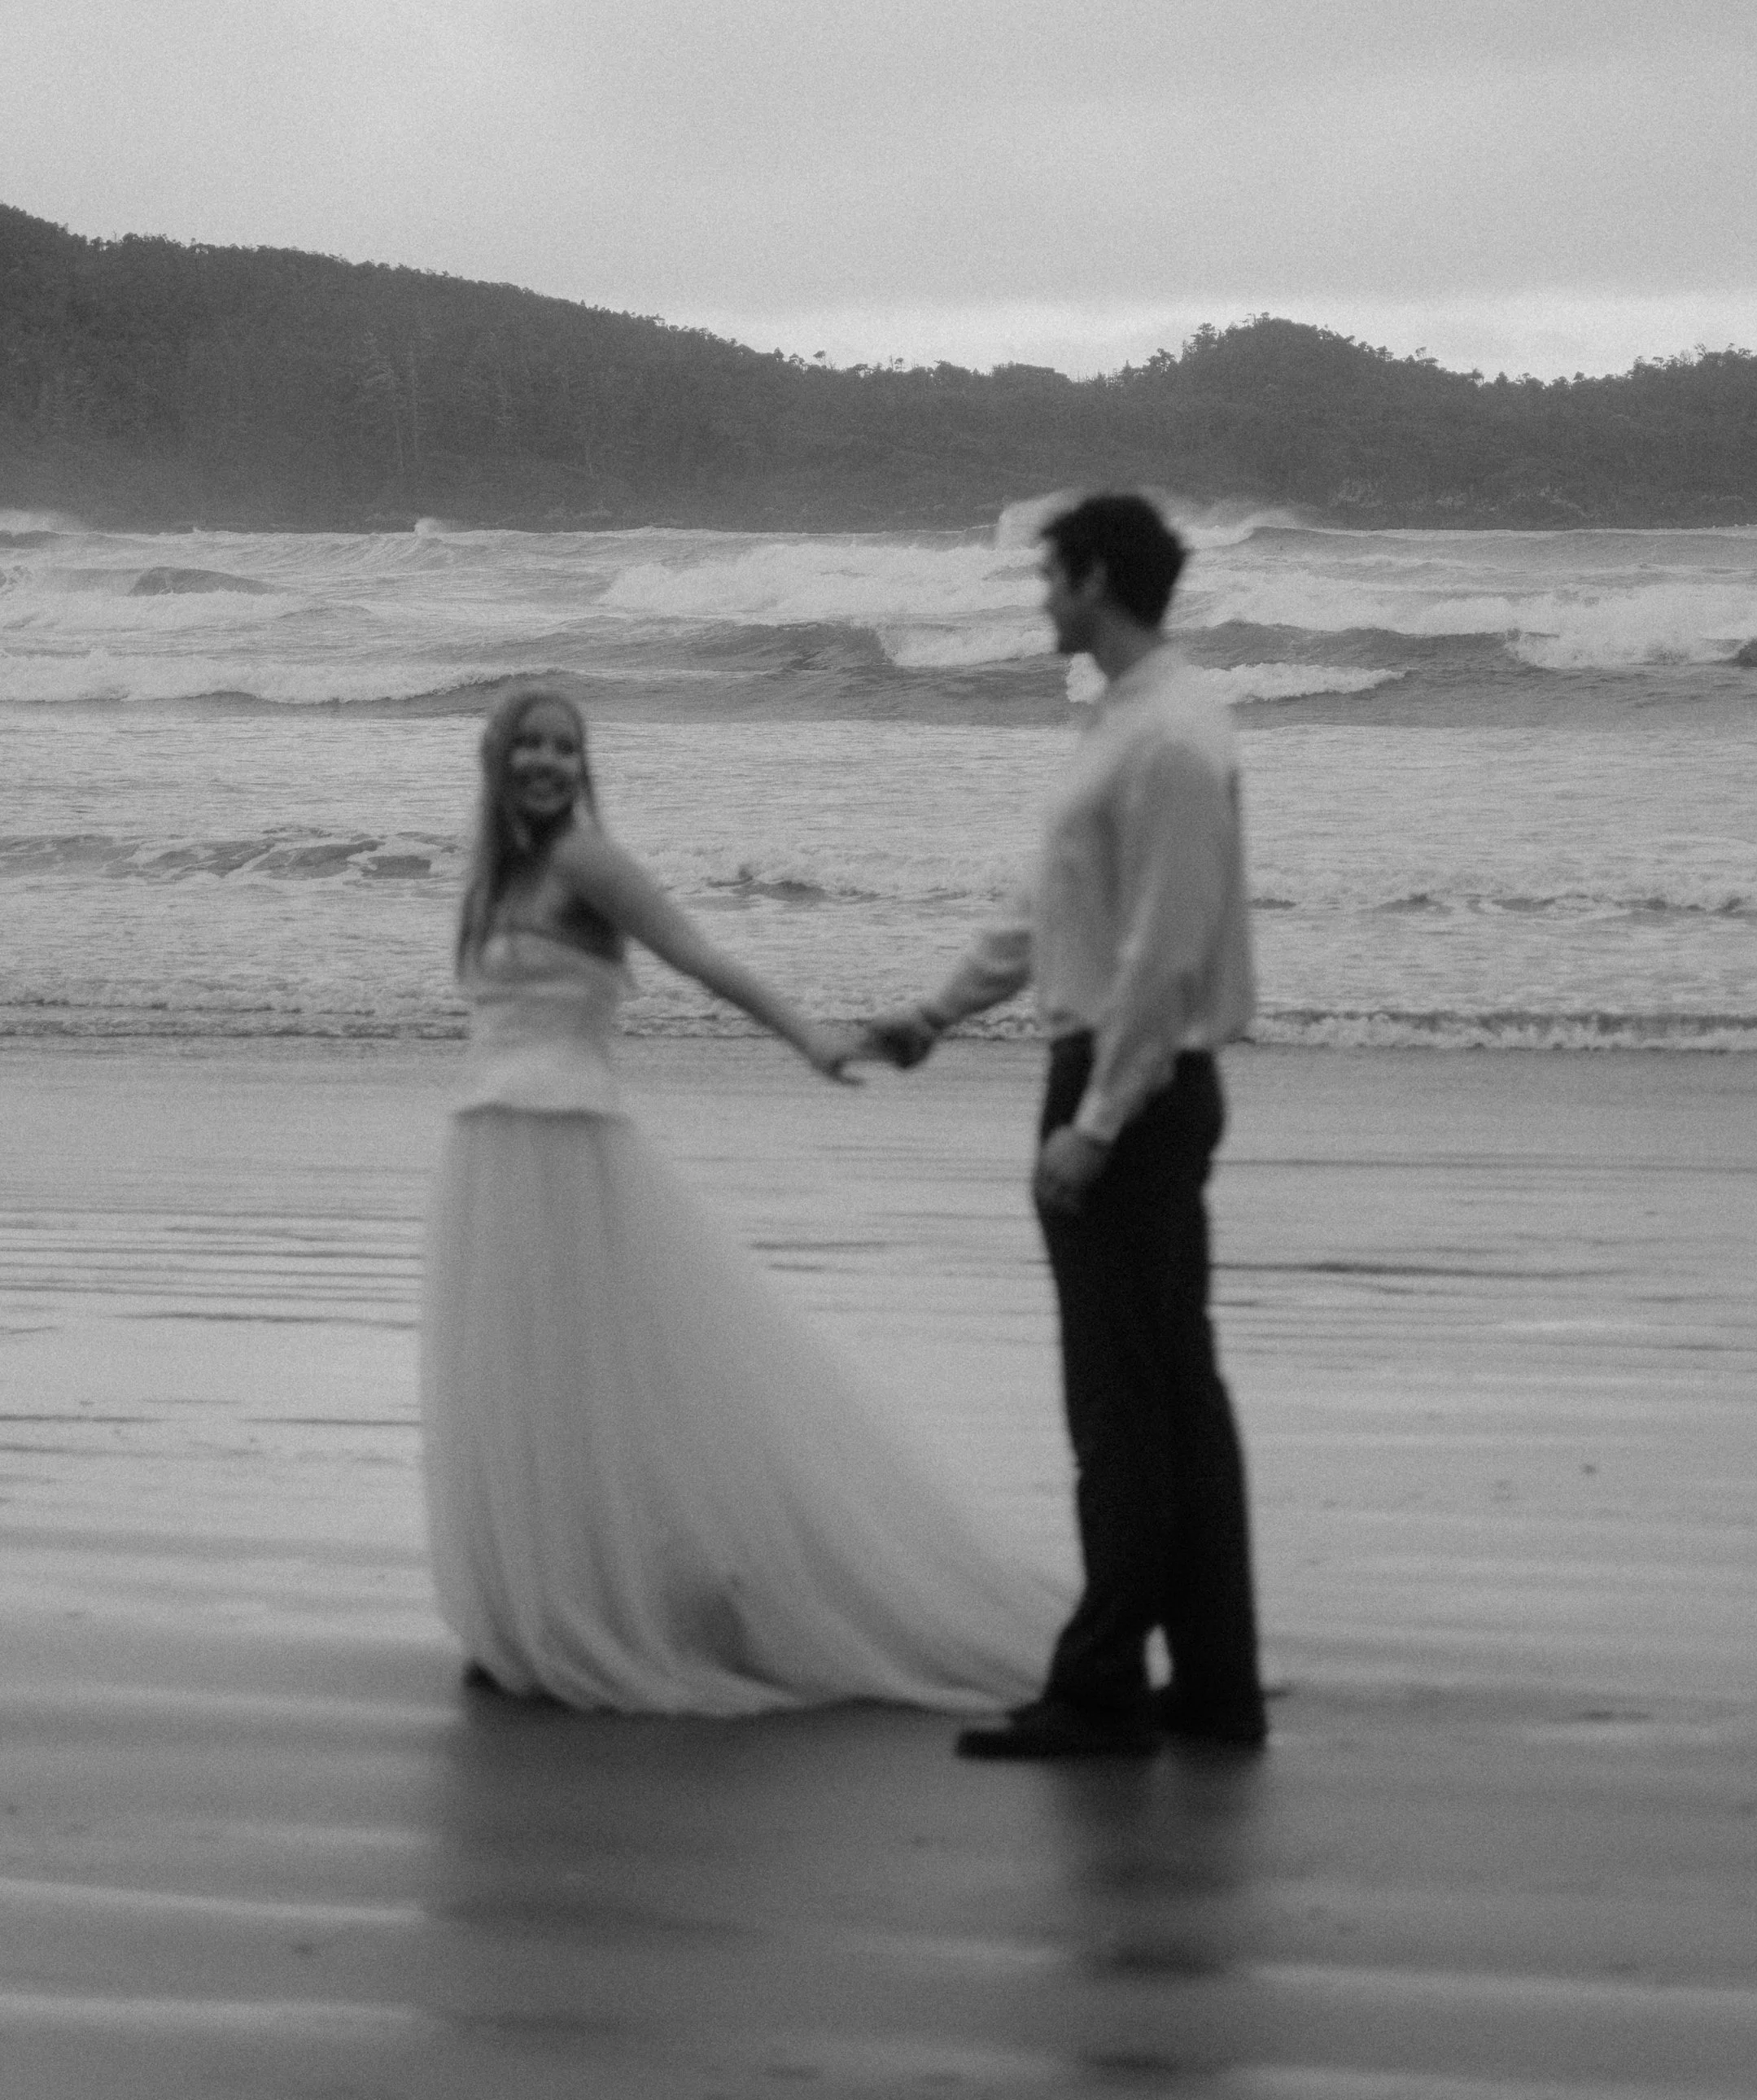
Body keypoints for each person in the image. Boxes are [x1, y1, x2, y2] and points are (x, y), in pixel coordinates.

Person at [422, 683, 1057, 1715]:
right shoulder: (495, 876)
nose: (549, 764)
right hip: (490, 1147)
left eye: (566, 750)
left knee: (591, 1385)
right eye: (531, 746)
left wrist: (808, 1038)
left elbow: (699, 956)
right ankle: (541, 1610)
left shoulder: (590, 861)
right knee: (520, 1391)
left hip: (568, 1147)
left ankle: (633, 1606)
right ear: (497, 760)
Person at [865, 494, 1267, 1761]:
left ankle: (1103, 1687)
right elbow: (1064, 923)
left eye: (1048, 574)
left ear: (1095, 578)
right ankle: (1210, 1683)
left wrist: (1094, 1121)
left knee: (1124, 1408)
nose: (1038, 596)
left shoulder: (1171, 738)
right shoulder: (1124, 725)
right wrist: (937, 1012)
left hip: (1132, 1087)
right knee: (1173, 1395)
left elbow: (1161, 957)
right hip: (1123, 1072)